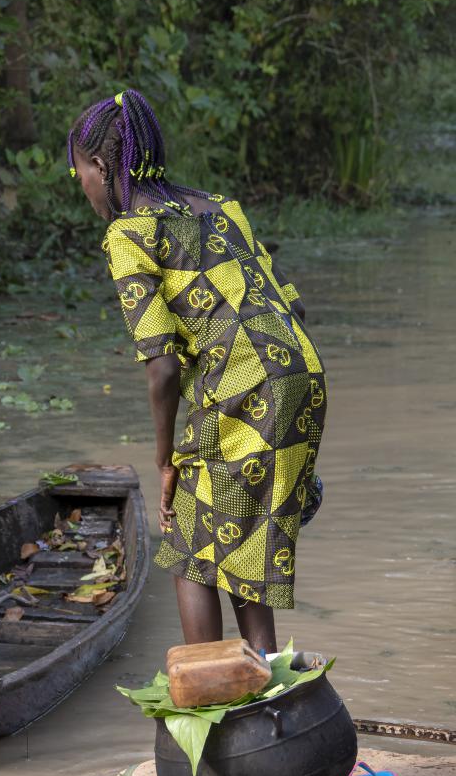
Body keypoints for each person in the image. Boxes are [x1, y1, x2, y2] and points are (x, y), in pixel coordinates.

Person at [67, 89, 325, 655]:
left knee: (189, 553)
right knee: (238, 539)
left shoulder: (130, 232)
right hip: (299, 374)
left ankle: (209, 699)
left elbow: (161, 368)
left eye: (79, 173)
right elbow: (293, 307)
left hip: (241, 387)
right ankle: (265, 679)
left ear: (102, 168)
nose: (82, 187)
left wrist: (165, 461)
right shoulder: (221, 207)